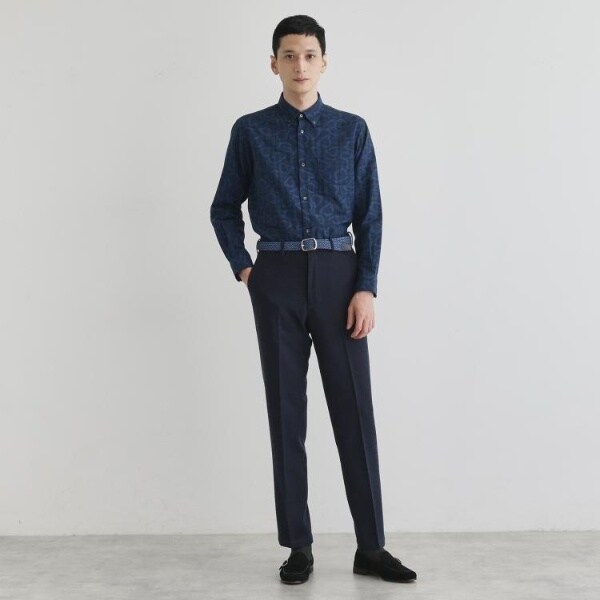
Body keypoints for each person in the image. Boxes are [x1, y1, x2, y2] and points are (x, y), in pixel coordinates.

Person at [210, 14, 417, 585]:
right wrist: (245, 268)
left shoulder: (352, 130)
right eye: (288, 55)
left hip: (338, 276)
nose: (299, 65)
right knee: (286, 414)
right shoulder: (250, 131)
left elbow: (370, 215)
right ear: (273, 63)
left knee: (354, 412)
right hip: (275, 274)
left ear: (324, 62)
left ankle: (371, 546)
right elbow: (223, 207)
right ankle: (298, 546)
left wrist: (366, 285)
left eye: (308, 55)